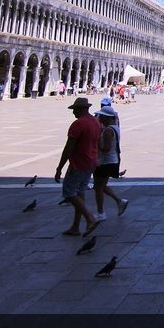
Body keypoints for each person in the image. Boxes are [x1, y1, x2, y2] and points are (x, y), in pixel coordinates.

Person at [55, 97, 102, 236]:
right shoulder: (95, 122)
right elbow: (98, 142)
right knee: (80, 193)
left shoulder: (78, 124)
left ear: (82, 109)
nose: (73, 112)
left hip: (79, 163)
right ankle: (75, 226)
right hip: (91, 162)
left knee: (69, 193)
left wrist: (59, 168)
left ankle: (90, 219)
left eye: (75, 109)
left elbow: (69, 147)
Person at [93, 106, 128, 220]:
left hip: (105, 161)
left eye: (101, 116)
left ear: (107, 117)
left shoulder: (108, 130)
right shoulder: (115, 127)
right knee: (101, 186)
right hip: (112, 160)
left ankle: (100, 213)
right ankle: (119, 201)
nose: (99, 118)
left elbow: (106, 148)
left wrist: (97, 145)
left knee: (98, 188)